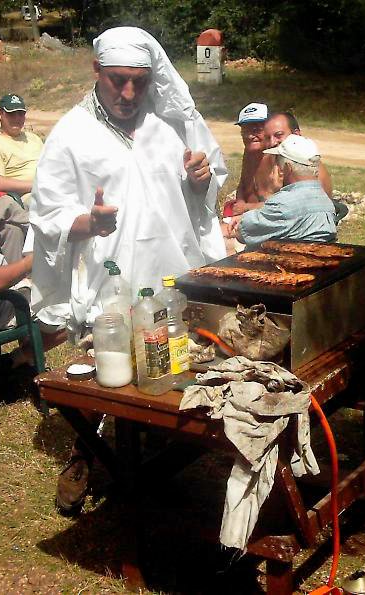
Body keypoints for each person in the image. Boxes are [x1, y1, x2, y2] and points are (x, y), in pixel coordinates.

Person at [30, 26, 227, 514]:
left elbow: (199, 202)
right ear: (96, 70)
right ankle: (87, 454)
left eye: (139, 81)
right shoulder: (72, 135)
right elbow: (47, 214)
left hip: (171, 274)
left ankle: (162, 451)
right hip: (111, 277)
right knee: (110, 377)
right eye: (118, 80)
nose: (129, 93)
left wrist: (200, 182)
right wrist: (87, 221)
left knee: (170, 368)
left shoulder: (166, 127)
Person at [227, 135, 337, 246]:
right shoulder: (325, 200)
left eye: (278, 162)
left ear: (287, 168)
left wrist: (273, 191)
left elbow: (242, 234)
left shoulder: (282, 204)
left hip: (284, 261)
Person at [0, 93, 43, 205]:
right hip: (25, 197)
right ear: (0, 114)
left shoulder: (34, 138)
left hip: (49, 187)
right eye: (11, 114)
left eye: (21, 113)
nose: (17, 118)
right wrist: (38, 185)